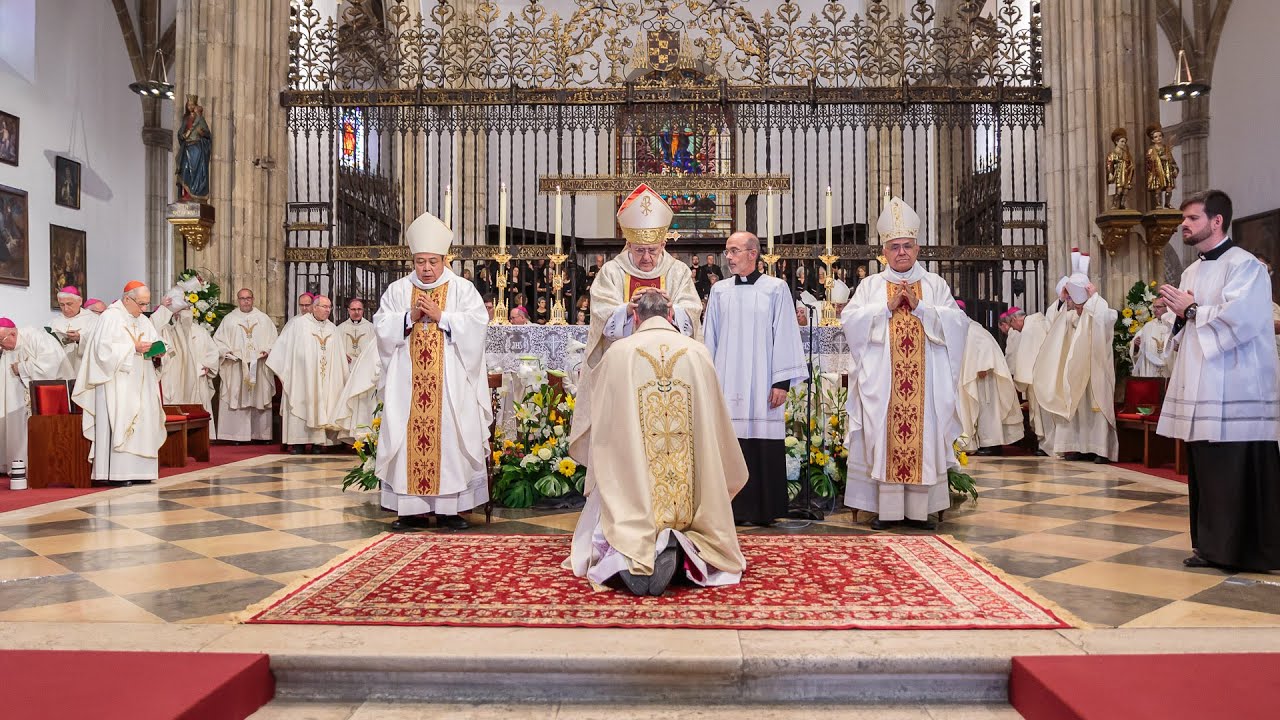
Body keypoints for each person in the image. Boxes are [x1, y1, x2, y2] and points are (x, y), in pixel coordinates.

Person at [566, 291, 748, 596]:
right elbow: (714, 414)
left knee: (624, 503)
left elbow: (604, 415)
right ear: (672, 315)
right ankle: (679, 543)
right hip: (689, 469)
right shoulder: (696, 352)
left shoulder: (619, 352)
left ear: (636, 316)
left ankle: (631, 555)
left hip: (636, 462)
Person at [1156, 190, 1280, 571]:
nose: (1184, 225)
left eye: (1192, 218)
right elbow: (1189, 325)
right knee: (1207, 467)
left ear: (1216, 222)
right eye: (1184, 219)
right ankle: (1210, 547)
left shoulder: (1246, 267)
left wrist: (1191, 308)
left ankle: (1248, 551)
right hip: (1202, 383)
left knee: (1234, 467)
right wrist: (1177, 315)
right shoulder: (1192, 271)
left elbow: (1243, 319)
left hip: (1236, 384)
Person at [841, 195, 968, 530]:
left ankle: (919, 512)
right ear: (884, 251)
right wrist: (885, 308)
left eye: (907, 246)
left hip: (925, 386)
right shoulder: (871, 286)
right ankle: (887, 511)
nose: (901, 252)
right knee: (883, 439)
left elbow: (957, 326)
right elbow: (850, 323)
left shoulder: (934, 285)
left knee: (923, 439)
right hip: (883, 386)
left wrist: (921, 307)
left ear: (918, 249)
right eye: (894, 246)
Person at [374, 210, 491, 532]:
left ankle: (450, 509)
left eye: (433, 262)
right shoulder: (398, 290)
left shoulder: (462, 289)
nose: (426, 268)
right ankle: (409, 510)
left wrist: (444, 316)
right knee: (406, 437)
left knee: (450, 439)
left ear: (444, 260)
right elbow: (382, 327)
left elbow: (478, 326)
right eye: (420, 262)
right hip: (407, 386)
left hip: (450, 385)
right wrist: (408, 318)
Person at [571, 184, 702, 449]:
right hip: (624, 372)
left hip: (670, 375)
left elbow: (692, 317)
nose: (646, 258)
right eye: (639, 250)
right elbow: (601, 321)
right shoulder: (611, 272)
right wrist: (624, 311)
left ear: (664, 243)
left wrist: (673, 311)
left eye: (652, 250)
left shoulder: (677, 272)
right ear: (628, 243)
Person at [703, 231, 806, 527]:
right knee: (728, 440)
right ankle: (729, 510)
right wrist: (708, 379)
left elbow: (785, 334)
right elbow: (710, 338)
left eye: (734, 251)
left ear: (753, 254)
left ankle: (763, 509)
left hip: (763, 381)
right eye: (727, 251)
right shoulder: (720, 291)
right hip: (726, 380)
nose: (729, 257)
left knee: (761, 440)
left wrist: (781, 383)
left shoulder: (776, 289)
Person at [71, 282, 166, 486]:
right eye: (140, 304)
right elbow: (102, 352)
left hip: (142, 380)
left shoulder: (142, 319)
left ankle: (141, 472)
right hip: (116, 382)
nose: (143, 309)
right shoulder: (110, 317)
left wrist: (158, 350)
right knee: (120, 421)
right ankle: (117, 473)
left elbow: (155, 340)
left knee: (144, 421)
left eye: (146, 304)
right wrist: (132, 348)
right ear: (126, 299)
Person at [1033, 249, 1118, 463]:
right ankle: (1078, 446)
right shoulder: (1069, 315)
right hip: (1075, 371)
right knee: (1076, 409)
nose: (1071, 303)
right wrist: (1061, 302)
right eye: (1069, 299)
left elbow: (1103, 320)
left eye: (1072, 299)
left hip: (1095, 370)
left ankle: (1100, 449)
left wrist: (1093, 298)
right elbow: (1052, 326)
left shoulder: (1101, 309)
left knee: (1095, 409)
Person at [266, 295, 349, 454]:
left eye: (329, 307)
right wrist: (286, 375)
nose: (328, 310)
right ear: (314, 307)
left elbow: (339, 358)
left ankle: (318, 443)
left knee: (323, 404)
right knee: (302, 404)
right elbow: (281, 350)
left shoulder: (332, 328)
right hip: (303, 378)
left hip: (325, 379)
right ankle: (299, 443)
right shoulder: (298, 325)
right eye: (324, 307)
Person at [0, 318, 72, 474]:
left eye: (1, 341)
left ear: (12, 334)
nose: (2, 346)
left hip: (46, 397)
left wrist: (22, 367)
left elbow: (51, 365)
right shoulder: (8, 349)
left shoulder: (37, 337)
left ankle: (37, 465)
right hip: (16, 397)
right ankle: (15, 464)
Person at [956, 302, 1024, 456]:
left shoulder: (974, 329)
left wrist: (983, 366)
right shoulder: (963, 328)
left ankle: (991, 444)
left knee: (987, 412)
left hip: (983, 377)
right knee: (978, 411)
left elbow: (986, 345)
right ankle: (983, 442)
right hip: (973, 377)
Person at [213, 288, 278, 443]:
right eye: (242, 298)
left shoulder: (263, 319)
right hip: (236, 366)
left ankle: (260, 435)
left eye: (248, 298)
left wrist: (268, 351)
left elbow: (275, 340)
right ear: (238, 300)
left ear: (253, 299)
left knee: (259, 397)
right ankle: (235, 435)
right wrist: (226, 352)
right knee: (236, 395)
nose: (246, 301)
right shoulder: (229, 319)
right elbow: (218, 342)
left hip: (259, 366)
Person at [151, 290, 221, 429]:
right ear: (174, 314)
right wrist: (163, 308)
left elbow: (213, 353)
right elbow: (153, 329)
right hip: (173, 377)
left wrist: (208, 366)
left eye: (187, 309)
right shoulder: (167, 331)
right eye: (180, 311)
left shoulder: (201, 332)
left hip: (197, 376)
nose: (184, 314)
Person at [47, 285, 98, 378]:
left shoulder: (93, 320)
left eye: (69, 304)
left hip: (83, 369)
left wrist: (80, 339)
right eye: (62, 305)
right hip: (61, 370)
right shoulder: (53, 323)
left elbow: (99, 345)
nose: (65, 309)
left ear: (80, 301)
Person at [176, 95, 212, 201]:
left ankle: (195, 194)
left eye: (192, 104)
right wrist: (182, 135)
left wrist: (202, 133)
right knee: (184, 169)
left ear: (195, 106)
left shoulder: (200, 119)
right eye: (189, 104)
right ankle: (185, 195)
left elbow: (208, 134)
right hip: (187, 147)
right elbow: (180, 132)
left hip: (196, 149)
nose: (190, 106)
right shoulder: (186, 119)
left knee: (195, 172)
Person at [1130, 297, 1175, 378]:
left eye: (1158, 307)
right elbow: (1136, 349)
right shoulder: (1148, 326)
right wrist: (1136, 346)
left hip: (1170, 369)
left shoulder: (1174, 325)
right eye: (1154, 307)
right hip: (1151, 369)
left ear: (1167, 308)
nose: (1155, 310)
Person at [1146, 123, 1179, 209]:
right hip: (1157, 171)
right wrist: (1159, 158)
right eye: (1156, 137)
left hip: (1167, 170)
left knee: (1169, 188)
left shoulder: (1166, 148)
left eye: (1160, 136)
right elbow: (1149, 162)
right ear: (1153, 140)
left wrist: (1174, 168)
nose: (1158, 138)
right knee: (1158, 188)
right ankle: (1159, 204)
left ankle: (1167, 203)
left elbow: (1172, 159)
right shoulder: (1151, 150)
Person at [1106, 127, 1135, 210]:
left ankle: (1122, 204)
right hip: (1117, 175)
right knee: (1118, 190)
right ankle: (1114, 204)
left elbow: (1130, 163)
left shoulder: (1126, 154)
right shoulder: (1112, 154)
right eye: (1122, 141)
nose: (1123, 144)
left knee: (1125, 190)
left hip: (1125, 174)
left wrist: (1131, 167)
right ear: (1116, 142)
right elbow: (1109, 164)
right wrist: (1110, 173)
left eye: (1125, 142)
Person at [337, 298, 374, 362]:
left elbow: (375, 349)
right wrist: (341, 355)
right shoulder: (340, 328)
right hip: (346, 365)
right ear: (348, 310)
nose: (356, 312)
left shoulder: (371, 328)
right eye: (353, 309)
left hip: (364, 364)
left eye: (359, 309)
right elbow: (335, 348)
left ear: (363, 310)